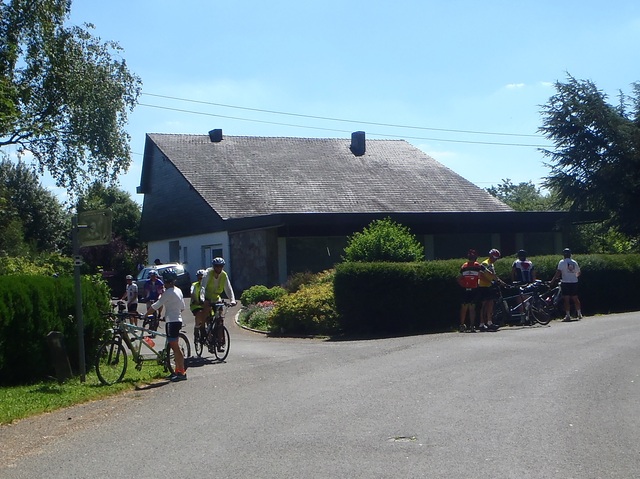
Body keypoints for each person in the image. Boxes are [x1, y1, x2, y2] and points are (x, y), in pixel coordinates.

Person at [151, 269, 187, 381]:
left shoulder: (168, 292)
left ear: (166, 281)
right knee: (175, 347)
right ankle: (178, 371)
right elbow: (183, 307)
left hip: (171, 322)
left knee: (175, 348)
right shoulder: (178, 290)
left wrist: (145, 315)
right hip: (177, 320)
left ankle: (182, 372)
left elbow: (157, 305)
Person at [199, 257, 237, 352]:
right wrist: (202, 299)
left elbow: (228, 288)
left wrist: (232, 300)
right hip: (207, 298)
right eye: (217, 266)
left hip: (216, 298)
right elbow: (203, 288)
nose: (219, 268)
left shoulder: (224, 275)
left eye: (221, 266)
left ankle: (220, 343)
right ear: (213, 266)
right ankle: (204, 331)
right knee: (207, 313)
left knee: (220, 320)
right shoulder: (207, 273)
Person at [477, 248, 507, 331]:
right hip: (483, 286)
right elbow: (481, 275)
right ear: (490, 256)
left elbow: (493, 275)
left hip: (489, 286)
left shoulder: (492, 264)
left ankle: (489, 322)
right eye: (494, 258)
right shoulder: (485, 263)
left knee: (490, 304)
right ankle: (481, 324)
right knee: (484, 305)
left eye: (497, 258)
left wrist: (501, 282)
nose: (496, 260)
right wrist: (490, 281)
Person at [551, 248, 582, 321]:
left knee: (566, 299)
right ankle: (579, 313)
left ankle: (568, 315)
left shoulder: (562, 262)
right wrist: (574, 276)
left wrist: (553, 280)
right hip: (574, 282)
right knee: (575, 298)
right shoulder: (574, 262)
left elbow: (558, 272)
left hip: (565, 282)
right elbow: (579, 272)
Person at [457, 249, 484, 332]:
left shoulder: (464, 266)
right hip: (474, 288)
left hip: (465, 289)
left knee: (464, 307)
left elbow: (459, 278)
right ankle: (472, 326)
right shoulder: (477, 266)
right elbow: (480, 276)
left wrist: (462, 285)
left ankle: (462, 325)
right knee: (472, 307)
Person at [511, 249, 536, 323]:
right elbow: (533, 273)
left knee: (520, 300)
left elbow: (513, 272)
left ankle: (522, 318)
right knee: (528, 299)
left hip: (519, 283)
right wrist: (533, 282)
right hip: (529, 283)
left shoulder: (516, 262)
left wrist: (513, 281)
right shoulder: (530, 263)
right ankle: (528, 316)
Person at [190, 269, 206, 343]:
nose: (200, 279)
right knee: (200, 313)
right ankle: (197, 329)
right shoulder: (194, 285)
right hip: (196, 305)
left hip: (205, 305)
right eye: (199, 278)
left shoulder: (207, 285)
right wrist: (195, 300)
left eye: (202, 278)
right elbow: (192, 292)